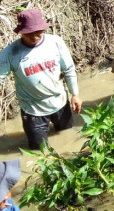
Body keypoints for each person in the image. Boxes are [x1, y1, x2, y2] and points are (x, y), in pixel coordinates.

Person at [0, 9, 82, 150]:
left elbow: (68, 69)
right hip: (32, 109)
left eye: (38, 32)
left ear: (44, 28)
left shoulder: (56, 43)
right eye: (29, 33)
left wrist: (75, 94)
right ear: (21, 32)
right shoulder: (10, 53)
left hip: (60, 102)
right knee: (40, 152)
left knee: (69, 140)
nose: (34, 36)